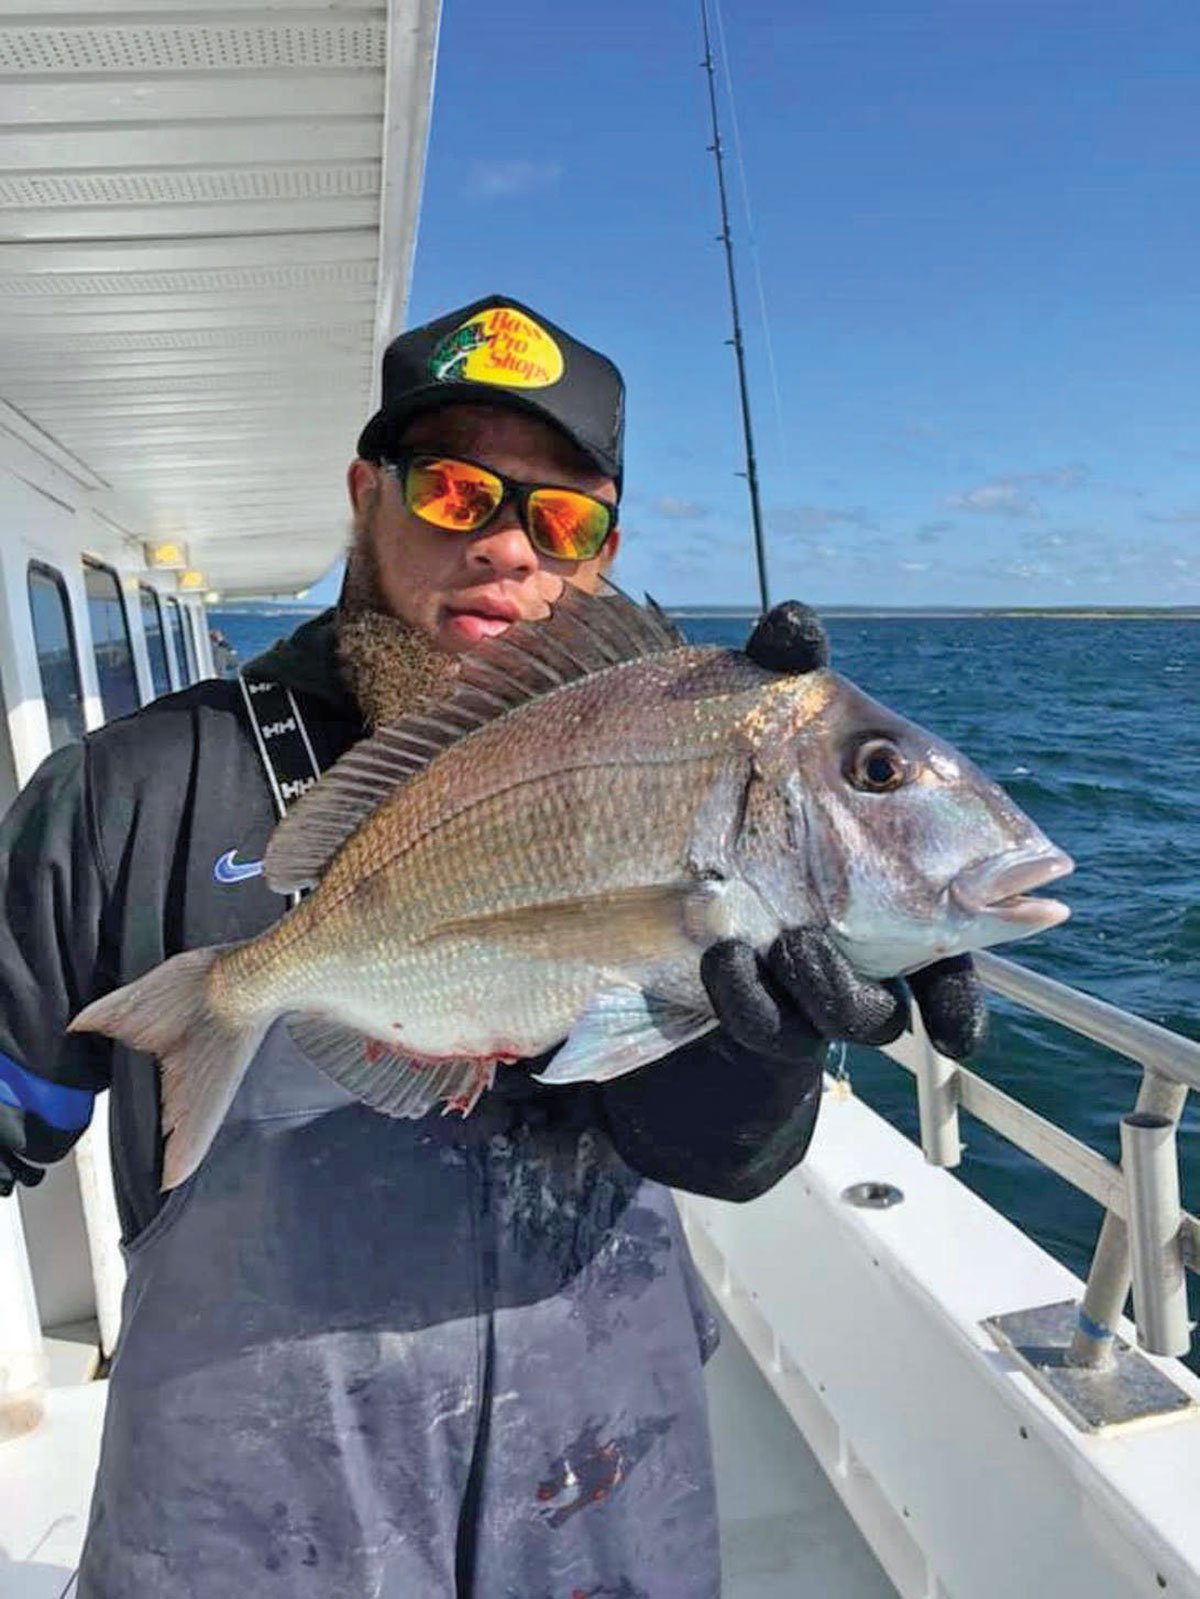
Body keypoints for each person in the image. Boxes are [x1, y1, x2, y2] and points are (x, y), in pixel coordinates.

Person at [0, 294, 985, 1597]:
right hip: (242, 1532)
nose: (508, 550)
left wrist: (763, 1055)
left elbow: (713, 1155)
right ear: (368, 494)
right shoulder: (128, 791)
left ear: (604, 550)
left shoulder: (679, 768)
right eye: (456, 490)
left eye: (563, 516)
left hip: (603, 1500)